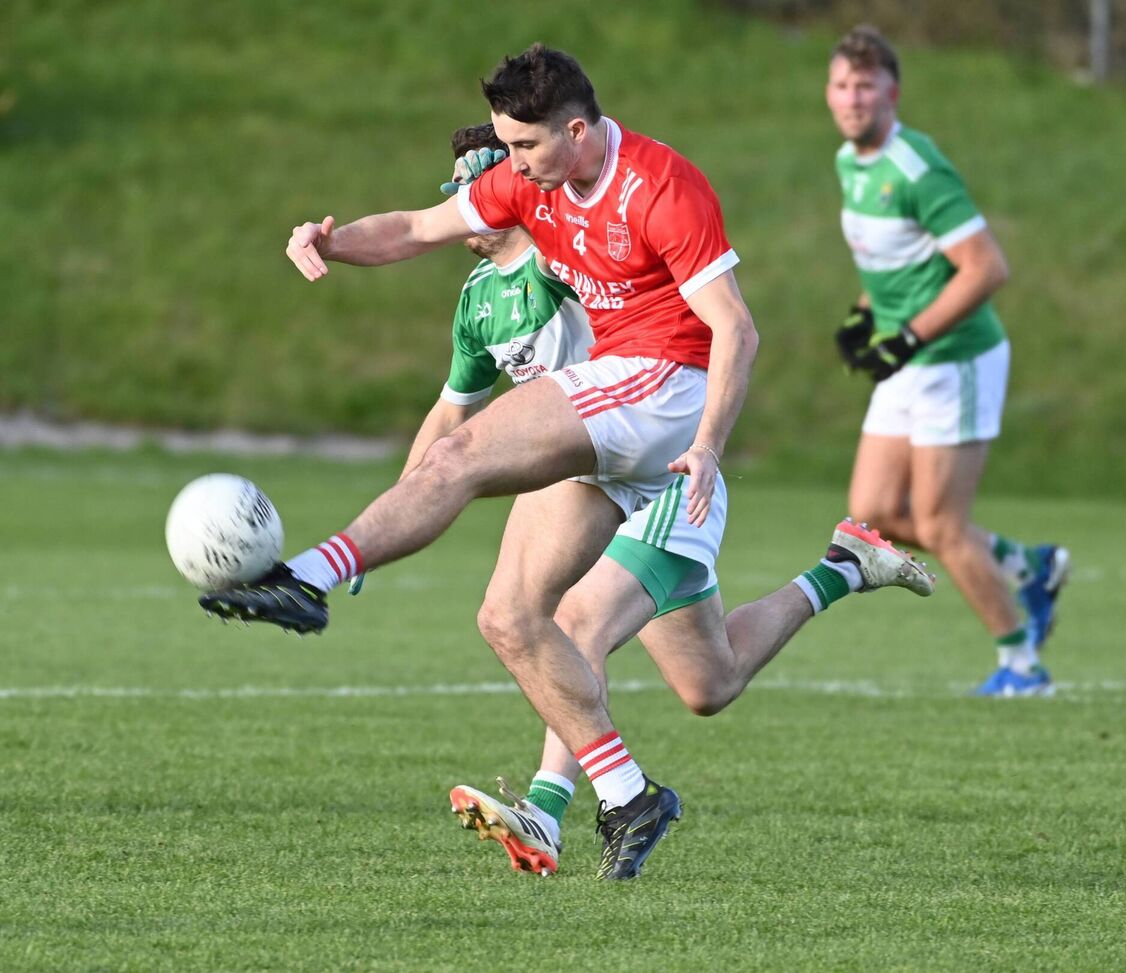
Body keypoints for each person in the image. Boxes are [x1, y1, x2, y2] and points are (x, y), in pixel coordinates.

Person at [202, 44, 760, 879]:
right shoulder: (524, 181)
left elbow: (736, 328)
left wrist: (710, 441)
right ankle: (628, 794)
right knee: (509, 618)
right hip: (616, 410)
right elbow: (419, 228)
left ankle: (307, 577)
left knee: (463, 455)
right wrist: (331, 238)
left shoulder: (661, 185)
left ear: (577, 130)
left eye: (527, 147)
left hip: (666, 386)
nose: (514, 164)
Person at [384, 133, 935, 877]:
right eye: (455, 189)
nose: (462, 204)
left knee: (574, 619)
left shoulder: (563, 258)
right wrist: (396, 507)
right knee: (711, 682)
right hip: (592, 492)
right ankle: (843, 566)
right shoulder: (478, 305)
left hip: (665, 477)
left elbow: (681, 303)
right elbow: (452, 413)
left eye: (475, 184)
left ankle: (547, 812)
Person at [825, 26, 1070, 697]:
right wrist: (864, 316)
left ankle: (1023, 666)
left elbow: (987, 266)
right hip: (911, 359)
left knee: (938, 523)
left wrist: (905, 338)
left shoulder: (916, 168)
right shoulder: (852, 160)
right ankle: (1029, 564)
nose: (853, 99)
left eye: (866, 86)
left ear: (892, 94)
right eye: (843, 85)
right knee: (871, 514)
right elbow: (898, 263)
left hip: (956, 358)